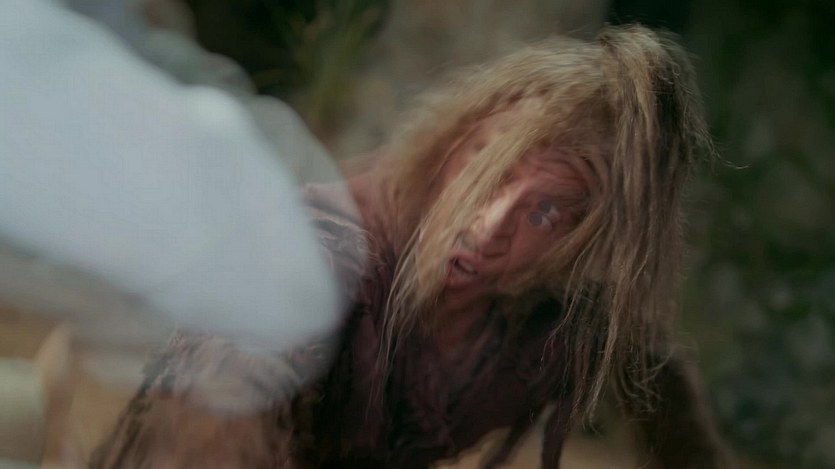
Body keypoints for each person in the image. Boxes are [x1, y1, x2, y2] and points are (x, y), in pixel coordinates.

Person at [93, 25, 734, 468]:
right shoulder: (321, 253)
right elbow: (215, 407)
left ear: (588, 243)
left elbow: (653, 369)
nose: (489, 227)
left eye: (545, 213)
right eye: (484, 166)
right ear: (452, 142)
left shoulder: (557, 322)